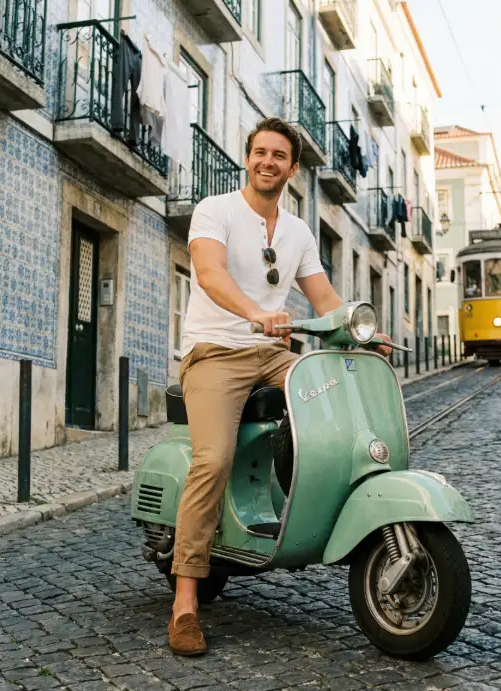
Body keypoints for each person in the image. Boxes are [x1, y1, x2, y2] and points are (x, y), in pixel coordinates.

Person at [168, 117, 392, 656]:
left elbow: (323, 300)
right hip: (214, 352)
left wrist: (361, 331)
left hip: (272, 354)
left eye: (278, 156)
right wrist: (254, 314)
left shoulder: (298, 232)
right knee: (213, 459)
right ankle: (185, 603)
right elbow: (209, 273)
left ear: (293, 168)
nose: (268, 162)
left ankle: (300, 506)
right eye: (259, 153)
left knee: (333, 400)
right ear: (248, 159)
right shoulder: (215, 210)